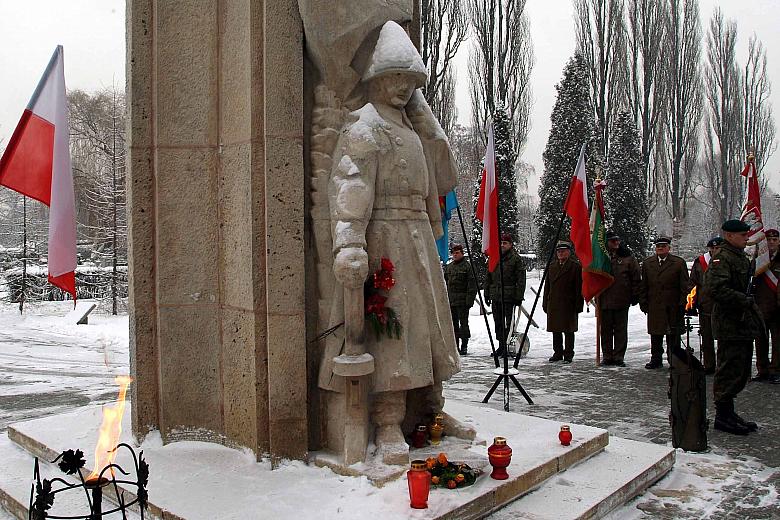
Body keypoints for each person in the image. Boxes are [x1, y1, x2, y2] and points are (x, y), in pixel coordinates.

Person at [321, 21, 460, 464]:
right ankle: (387, 422)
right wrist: (349, 242)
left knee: (430, 332)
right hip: (385, 239)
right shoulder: (364, 129)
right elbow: (350, 188)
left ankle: (430, 412)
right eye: (395, 78)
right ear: (376, 79)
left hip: (418, 238)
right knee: (393, 335)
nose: (402, 88)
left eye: (411, 81)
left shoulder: (414, 130)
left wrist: (428, 123)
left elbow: (435, 182)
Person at [706, 219, 762, 435]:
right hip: (730, 322)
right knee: (729, 368)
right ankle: (722, 415)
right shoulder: (722, 257)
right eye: (743, 235)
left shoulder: (739, 256)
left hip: (742, 322)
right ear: (729, 235)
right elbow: (716, 289)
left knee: (740, 369)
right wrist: (742, 299)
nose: (747, 238)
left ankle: (729, 412)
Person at [639, 236, 689, 369]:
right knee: (655, 334)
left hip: (673, 305)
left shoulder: (678, 263)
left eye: (663, 246)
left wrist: (682, 304)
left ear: (669, 248)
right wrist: (643, 302)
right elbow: (644, 285)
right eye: (658, 246)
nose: (660, 248)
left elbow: (685, 286)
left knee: (673, 334)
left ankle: (674, 359)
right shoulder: (648, 263)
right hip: (654, 304)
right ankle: (656, 359)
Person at [597, 230, 641, 367]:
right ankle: (607, 356)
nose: (616, 243)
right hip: (604, 299)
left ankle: (619, 357)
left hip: (622, 299)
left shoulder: (627, 257)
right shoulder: (601, 257)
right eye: (612, 241)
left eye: (617, 240)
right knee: (605, 330)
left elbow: (635, 277)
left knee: (621, 330)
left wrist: (635, 295)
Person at [484, 233, 526, 357]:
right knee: (498, 323)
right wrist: (487, 294)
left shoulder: (515, 259)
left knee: (509, 324)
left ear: (510, 245)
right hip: (496, 296)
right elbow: (488, 277)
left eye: (505, 243)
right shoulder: (494, 257)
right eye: (501, 243)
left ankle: (508, 346)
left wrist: (519, 296)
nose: (502, 245)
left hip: (509, 297)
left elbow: (521, 279)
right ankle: (501, 346)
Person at [687, 236, 724, 374]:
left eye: (717, 248)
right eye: (712, 248)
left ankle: (722, 366)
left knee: (722, 339)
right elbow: (693, 284)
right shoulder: (700, 262)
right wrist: (691, 303)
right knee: (707, 338)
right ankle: (709, 365)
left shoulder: (726, 262)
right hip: (705, 306)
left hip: (722, 306)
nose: (714, 250)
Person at [543, 241, 583, 363]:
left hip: (569, 303)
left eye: (563, 251)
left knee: (568, 330)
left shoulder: (575, 267)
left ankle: (568, 353)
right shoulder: (552, 266)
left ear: (569, 252)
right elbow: (547, 287)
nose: (560, 253)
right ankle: (558, 352)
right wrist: (545, 302)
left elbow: (579, 287)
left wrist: (578, 304)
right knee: (556, 330)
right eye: (558, 251)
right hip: (554, 303)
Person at [752, 228, 780, 383]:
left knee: (777, 342)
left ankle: (776, 370)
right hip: (761, 306)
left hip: (777, 307)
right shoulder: (759, 260)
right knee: (760, 340)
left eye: (774, 240)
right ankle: (762, 369)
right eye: (768, 240)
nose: (771, 242)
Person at [444, 244, 477, 355]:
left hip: (463, 301)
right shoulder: (450, 267)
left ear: (462, 253)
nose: (455, 255)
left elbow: (472, 285)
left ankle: (464, 345)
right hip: (452, 300)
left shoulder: (467, 267)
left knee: (463, 324)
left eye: (457, 253)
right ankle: (455, 346)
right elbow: (446, 281)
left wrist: (469, 300)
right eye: (453, 253)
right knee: (453, 325)